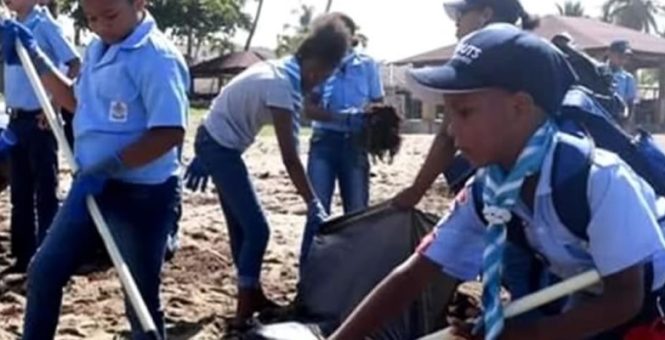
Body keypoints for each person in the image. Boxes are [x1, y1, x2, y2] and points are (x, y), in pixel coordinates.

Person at [330, 24, 665, 340]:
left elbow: (625, 298)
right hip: (589, 292)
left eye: (464, 112)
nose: (449, 131)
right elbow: (415, 274)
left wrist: (524, 336)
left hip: (647, 300)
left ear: (520, 107)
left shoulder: (598, 180)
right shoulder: (487, 190)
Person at [1, 0, 189, 338]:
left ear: (139, 3)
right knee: (44, 271)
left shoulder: (157, 58)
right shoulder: (97, 48)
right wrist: (36, 57)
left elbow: (170, 132)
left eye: (111, 15)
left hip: (142, 195)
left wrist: (112, 166)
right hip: (90, 187)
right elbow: (76, 101)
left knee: (140, 297)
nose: (102, 25)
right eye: (91, 18)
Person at [182, 14, 350, 328]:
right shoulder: (282, 85)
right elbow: (290, 157)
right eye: (324, 76)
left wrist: (204, 144)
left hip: (216, 142)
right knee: (258, 230)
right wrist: (313, 203)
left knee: (243, 229)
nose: (320, 83)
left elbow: (231, 99)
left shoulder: (283, 67)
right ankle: (244, 309)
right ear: (318, 67)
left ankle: (252, 291)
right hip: (219, 147)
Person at [2, 0, 81, 274]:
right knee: (19, 192)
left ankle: (49, 255)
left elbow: (74, 63)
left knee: (45, 192)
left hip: (40, 120)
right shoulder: (10, 26)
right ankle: (23, 256)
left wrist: (54, 105)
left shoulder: (44, 25)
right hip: (15, 120)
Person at [304, 13, 384, 218]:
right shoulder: (318, 65)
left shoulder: (367, 65)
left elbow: (378, 104)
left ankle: (356, 251)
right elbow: (306, 108)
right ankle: (312, 251)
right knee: (317, 211)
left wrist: (372, 123)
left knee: (357, 212)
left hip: (356, 143)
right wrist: (340, 117)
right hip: (324, 141)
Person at [606, 39, 638, 123]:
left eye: (625, 58)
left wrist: (627, 122)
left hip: (617, 119)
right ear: (609, 54)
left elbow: (631, 102)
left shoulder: (627, 78)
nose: (622, 60)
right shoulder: (597, 71)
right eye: (620, 56)